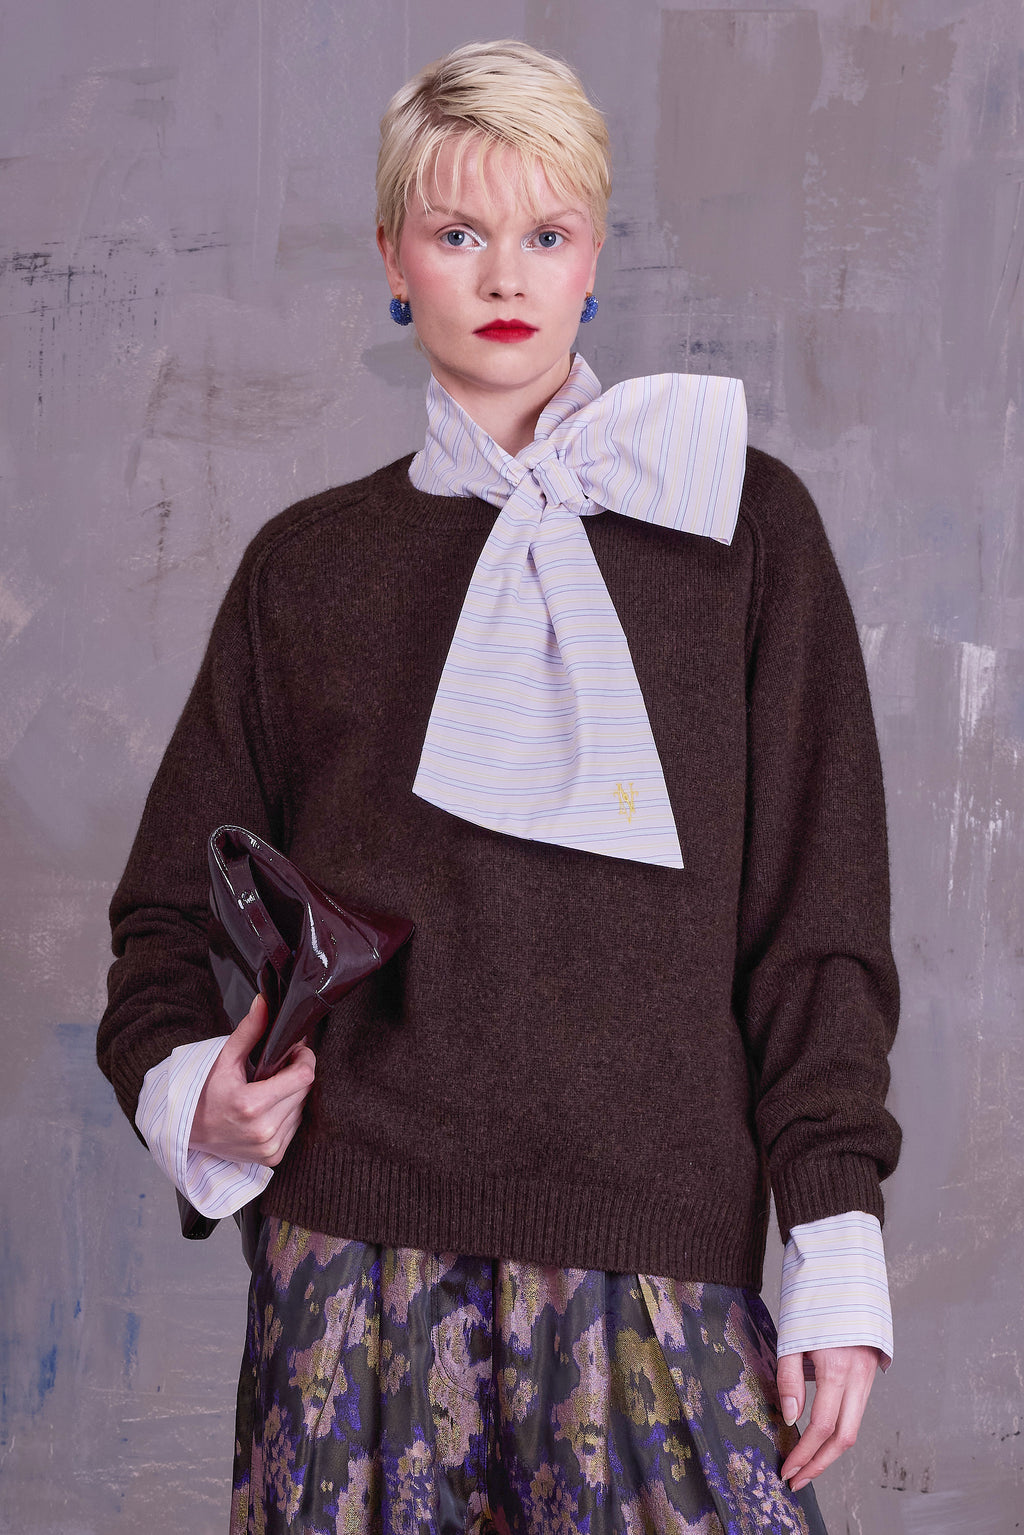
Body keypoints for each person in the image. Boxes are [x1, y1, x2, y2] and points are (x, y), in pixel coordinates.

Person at [98, 40, 900, 1535]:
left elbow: (818, 924)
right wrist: (194, 1089)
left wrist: (835, 1240)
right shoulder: (306, 571)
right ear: (393, 261)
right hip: (351, 1264)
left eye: (547, 232)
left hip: (658, 1256)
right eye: (459, 233)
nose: (505, 275)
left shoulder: (745, 534)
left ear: (594, 258)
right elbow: (165, 913)